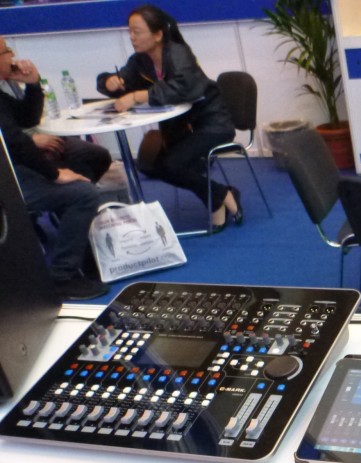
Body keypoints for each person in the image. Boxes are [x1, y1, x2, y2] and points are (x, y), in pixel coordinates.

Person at [97, 4, 240, 232]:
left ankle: (218, 198)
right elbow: (122, 79)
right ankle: (222, 193)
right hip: (180, 129)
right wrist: (109, 82)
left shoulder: (179, 53)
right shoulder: (139, 61)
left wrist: (138, 96)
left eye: (137, 31)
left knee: (171, 165)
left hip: (211, 122)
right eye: (130, 31)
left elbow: (183, 88)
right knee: (153, 166)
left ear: (158, 34)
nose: (132, 37)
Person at [0, 36, 107, 300]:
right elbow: (15, 143)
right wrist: (55, 174)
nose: (12, 56)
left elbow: (26, 119)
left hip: (12, 166)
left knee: (84, 164)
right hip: (6, 180)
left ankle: (77, 239)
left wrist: (33, 85)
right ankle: (62, 276)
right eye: (6, 52)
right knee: (84, 193)